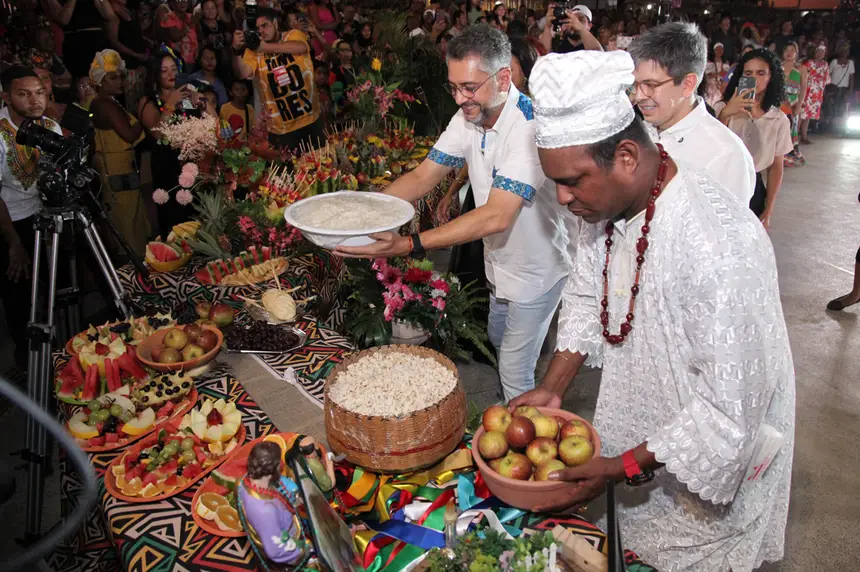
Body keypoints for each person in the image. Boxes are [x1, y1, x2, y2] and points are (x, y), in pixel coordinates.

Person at [516, 49, 795, 572]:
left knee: (694, 547)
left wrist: (620, 466)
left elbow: (728, 415)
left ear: (625, 156)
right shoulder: (604, 201)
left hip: (711, 444)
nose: (561, 195)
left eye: (572, 180)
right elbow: (585, 291)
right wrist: (555, 385)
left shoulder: (717, 246)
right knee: (634, 544)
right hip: (643, 417)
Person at [335, 26, 568, 401]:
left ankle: (521, 439)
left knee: (514, 367)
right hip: (500, 262)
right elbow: (423, 176)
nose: (460, 98)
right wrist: (361, 219)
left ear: (504, 77)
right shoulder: (468, 118)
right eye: (454, 87)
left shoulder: (528, 128)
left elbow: (496, 215)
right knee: (495, 337)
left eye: (470, 87)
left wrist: (409, 243)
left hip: (537, 270)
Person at [628, 23, 755, 207]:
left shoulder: (724, 155)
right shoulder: (640, 132)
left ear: (687, 84)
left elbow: (723, 234)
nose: (638, 96)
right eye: (635, 85)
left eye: (650, 85)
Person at [0, 66, 64, 376]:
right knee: (18, 297)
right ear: (7, 96)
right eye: (23, 94)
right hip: (11, 223)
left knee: (52, 288)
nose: (34, 100)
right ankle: (27, 364)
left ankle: (58, 355)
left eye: (39, 92)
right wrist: (14, 243)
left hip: (46, 216)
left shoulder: (50, 125)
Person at [719, 48, 793, 229]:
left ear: (771, 77)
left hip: (754, 189)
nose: (754, 79)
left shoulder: (778, 119)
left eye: (761, 73)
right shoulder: (723, 108)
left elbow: (776, 167)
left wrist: (769, 209)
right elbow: (710, 144)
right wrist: (726, 113)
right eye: (748, 73)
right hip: (722, 181)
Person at [232, 8, 322, 151]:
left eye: (265, 25)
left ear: (275, 23)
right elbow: (242, 73)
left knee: (323, 166)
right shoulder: (253, 51)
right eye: (257, 28)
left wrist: (263, 47)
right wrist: (236, 51)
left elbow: (301, 47)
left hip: (310, 119)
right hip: (280, 128)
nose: (261, 31)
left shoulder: (293, 34)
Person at [88, 49, 149, 257]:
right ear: (100, 80)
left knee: (131, 220)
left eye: (121, 77)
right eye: (113, 78)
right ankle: (130, 274)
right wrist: (143, 119)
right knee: (126, 224)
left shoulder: (110, 102)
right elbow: (129, 134)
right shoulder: (104, 104)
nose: (119, 82)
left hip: (123, 169)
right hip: (116, 173)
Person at [137, 50, 191, 236]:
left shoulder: (187, 96)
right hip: (166, 166)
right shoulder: (148, 102)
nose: (171, 74)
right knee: (173, 219)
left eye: (174, 69)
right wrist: (170, 105)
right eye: (164, 70)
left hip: (190, 165)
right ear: (156, 75)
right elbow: (159, 134)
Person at [800, 44, 829, 143]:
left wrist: (822, 89)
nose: (820, 54)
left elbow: (826, 78)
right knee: (801, 114)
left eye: (822, 52)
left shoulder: (825, 64)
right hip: (807, 89)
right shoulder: (809, 63)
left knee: (808, 115)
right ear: (815, 52)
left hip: (817, 92)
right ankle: (793, 137)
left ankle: (804, 137)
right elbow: (802, 75)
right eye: (818, 51)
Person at [823, 44, 854, 130]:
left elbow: (851, 77)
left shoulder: (850, 63)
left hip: (843, 88)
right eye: (843, 51)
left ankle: (838, 127)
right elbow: (828, 74)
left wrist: (850, 89)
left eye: (846, 51)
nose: (845, 53)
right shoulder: (834, 62)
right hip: (833, 87)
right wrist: (826, 87)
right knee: (830, 106)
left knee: (841, 107)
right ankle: (828, 126)